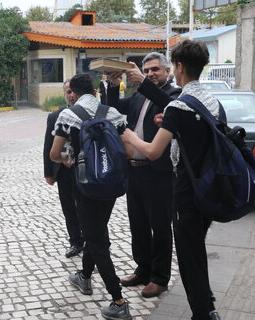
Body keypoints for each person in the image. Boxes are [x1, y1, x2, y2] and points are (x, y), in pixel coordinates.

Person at [121, 40, 222, 320]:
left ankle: (203, 311)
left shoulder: (178, 103)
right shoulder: (212, 100)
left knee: (188, 255)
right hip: (207, 185)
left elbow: (154, 152)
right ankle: (206, 306)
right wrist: (173, 129)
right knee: (194, 252)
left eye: (158, 69)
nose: (152, 73)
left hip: (183, 187)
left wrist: (130, 137)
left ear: (176, 67)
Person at [50, 73, 131, 320]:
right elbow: (126, 151)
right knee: (95, 230)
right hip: (110, 184)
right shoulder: (112, 113)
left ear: (73, 93)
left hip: (83, 185)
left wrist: (68, 159)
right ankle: (84, 277)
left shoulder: (69, 114)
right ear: (95, 91)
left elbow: (54, 154)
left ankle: (118, 300)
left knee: (96, 239)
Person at [107, 52, 181, 298]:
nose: (150, 73)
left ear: (168, 71)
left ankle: (160, 277)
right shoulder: (140, 93)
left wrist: (142, 81)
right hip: (135, 170)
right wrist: (114, 86)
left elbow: (166, 105)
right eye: (146, 70)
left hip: (158, 173)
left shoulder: (173, 96)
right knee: (137, 224)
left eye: (155, 70)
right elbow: (116, 107)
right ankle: (143, 269)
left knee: (159, 226)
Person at [43, 80, 84, 258]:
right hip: (64, 171)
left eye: (74, 91)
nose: (71, 95)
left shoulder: (87, 115)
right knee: (68, 207)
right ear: (64, 94)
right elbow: (48, 146)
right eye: (68, 92)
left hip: (84, 170)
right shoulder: (54, 117)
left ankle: (91, 239)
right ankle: (75, 241)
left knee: (86, 208)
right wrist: (48, 173)